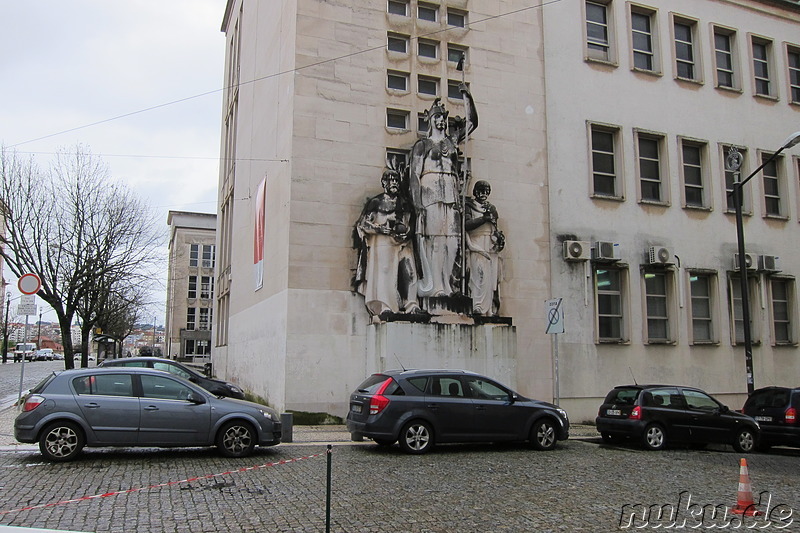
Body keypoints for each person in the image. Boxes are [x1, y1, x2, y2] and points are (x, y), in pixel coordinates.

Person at [408, 85, 477, 299]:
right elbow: (414, 175)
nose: (441, 121)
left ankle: (449, 285)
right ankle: (435, 285)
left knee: (453, 242)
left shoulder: (451, 141)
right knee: (436, 241)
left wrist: (467, 97)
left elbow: (472, 122)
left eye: (443, 118)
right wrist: (417, 202)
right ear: (430, 121)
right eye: (437, 117)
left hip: (451, 194)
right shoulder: (423, 145)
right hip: (430, 196)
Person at [353, 167, 421, 319]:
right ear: (384, 183)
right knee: (384, 273)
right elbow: (363, 224)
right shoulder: (376, 202)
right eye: (391, 180)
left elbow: (412, 225)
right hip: (383, 243)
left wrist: (406, 233)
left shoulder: (405, 203)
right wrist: (379, 229)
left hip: (402, 242)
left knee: (409, 271)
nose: (394, 183)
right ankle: (385, 306)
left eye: (396, 180)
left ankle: (411, 304)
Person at [464, 180, 504, 316]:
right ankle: (477, 305)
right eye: (481, 190)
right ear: (475, 191)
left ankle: (489, 309)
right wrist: (483, 219)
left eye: (486, 191)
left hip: (490, 245)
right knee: (478, 275)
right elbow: (466, 225)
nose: (484, 194)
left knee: (491, 278)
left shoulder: (492, 208)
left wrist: (499, 239)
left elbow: (495, 228)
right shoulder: (469, 205)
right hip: (476, 243)